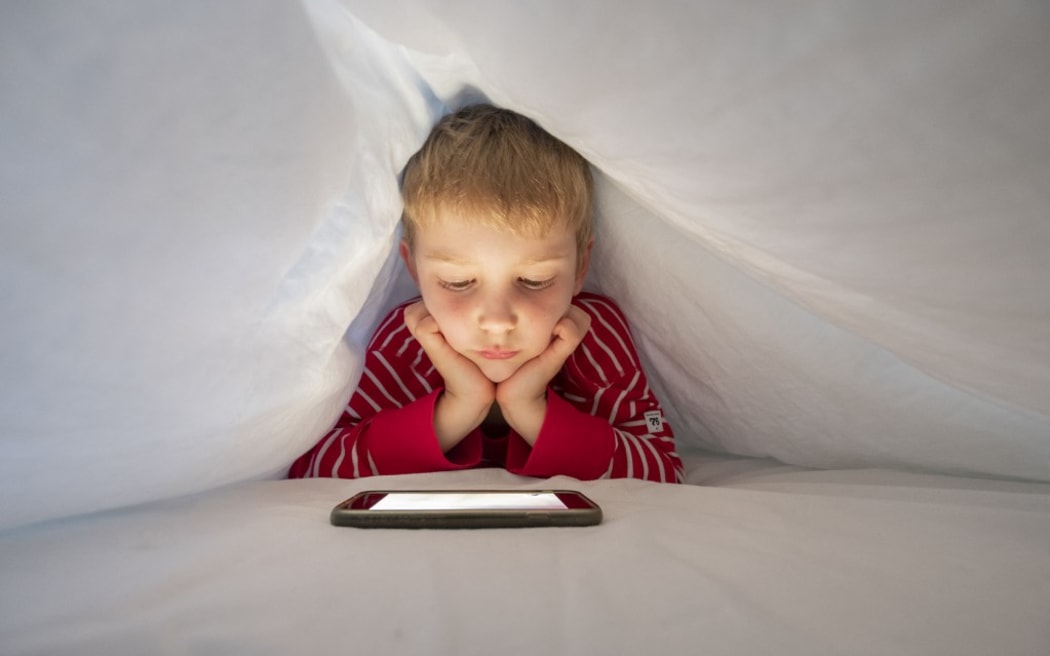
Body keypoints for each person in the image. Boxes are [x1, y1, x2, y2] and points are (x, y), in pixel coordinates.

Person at [289, 104, 682, 483]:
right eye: (458, 283)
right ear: (415, 270)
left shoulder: (595, 337)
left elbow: (663, 469)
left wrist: (529, 409)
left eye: (534, 280)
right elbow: (317, 466)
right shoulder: (406, 342)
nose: (497, 321)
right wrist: (459, 407)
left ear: (581, 268)